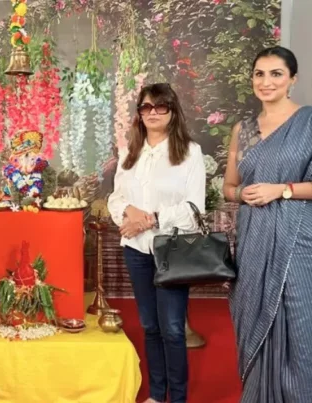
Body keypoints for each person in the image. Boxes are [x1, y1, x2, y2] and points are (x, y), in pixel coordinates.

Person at [222, 46, 312, 402]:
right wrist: (246, 195)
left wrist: (281, 190)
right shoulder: (244, 129)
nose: (266, 82)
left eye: (276, 74)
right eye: (259, 74)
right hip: (255, 242)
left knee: (303, 329)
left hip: (303, 245)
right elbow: (229, 186)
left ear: (292, 80)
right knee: (255, 323)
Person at [108, 83, 206, 403]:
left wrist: (149, 217)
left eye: (160, 107)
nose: (152, 113)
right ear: (139, 114)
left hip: (173, 251)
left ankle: (177, 398)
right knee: (150, 326)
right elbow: (115, 198)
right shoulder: (130, 154)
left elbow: (194, 210)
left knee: (173, 329)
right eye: (146, 108)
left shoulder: (190, 153)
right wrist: (127, 211)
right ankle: (155, 394)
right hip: (137, 250)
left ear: (172, 111)